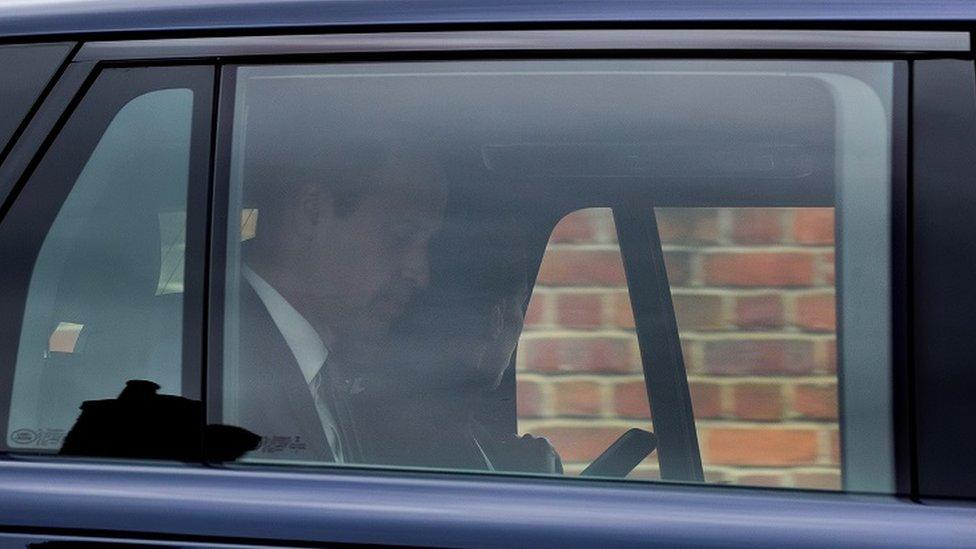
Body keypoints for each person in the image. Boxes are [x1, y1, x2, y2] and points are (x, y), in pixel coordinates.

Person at [233, 142, 447, 464]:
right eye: (402, 235)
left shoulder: (329, 375)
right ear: (312, 212)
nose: (421, 273)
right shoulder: (206, 356)